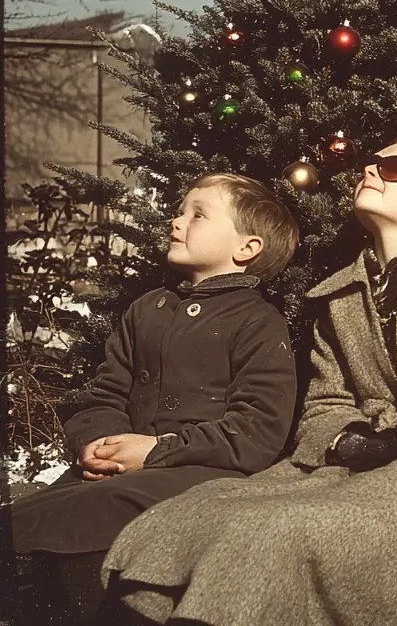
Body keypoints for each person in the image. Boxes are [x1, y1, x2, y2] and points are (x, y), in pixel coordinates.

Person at [103, 137, 397, 626]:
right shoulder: (341, 294)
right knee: (197, 512)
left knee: (278, 530)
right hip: (339, 463)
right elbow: (326, 397)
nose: (372, 169)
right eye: (372, 162)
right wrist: (345, 437)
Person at [12, 172, 299, 625]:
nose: (176, 220)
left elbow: (257, 431)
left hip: (199, 475)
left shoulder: (258, 323)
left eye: (197, 215)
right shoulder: (148, 309)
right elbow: (104, 393)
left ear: (247, 248)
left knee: (84, 513)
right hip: (118, 469)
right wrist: (99, 444)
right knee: (36, 514)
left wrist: (156, 450)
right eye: (180, 210)